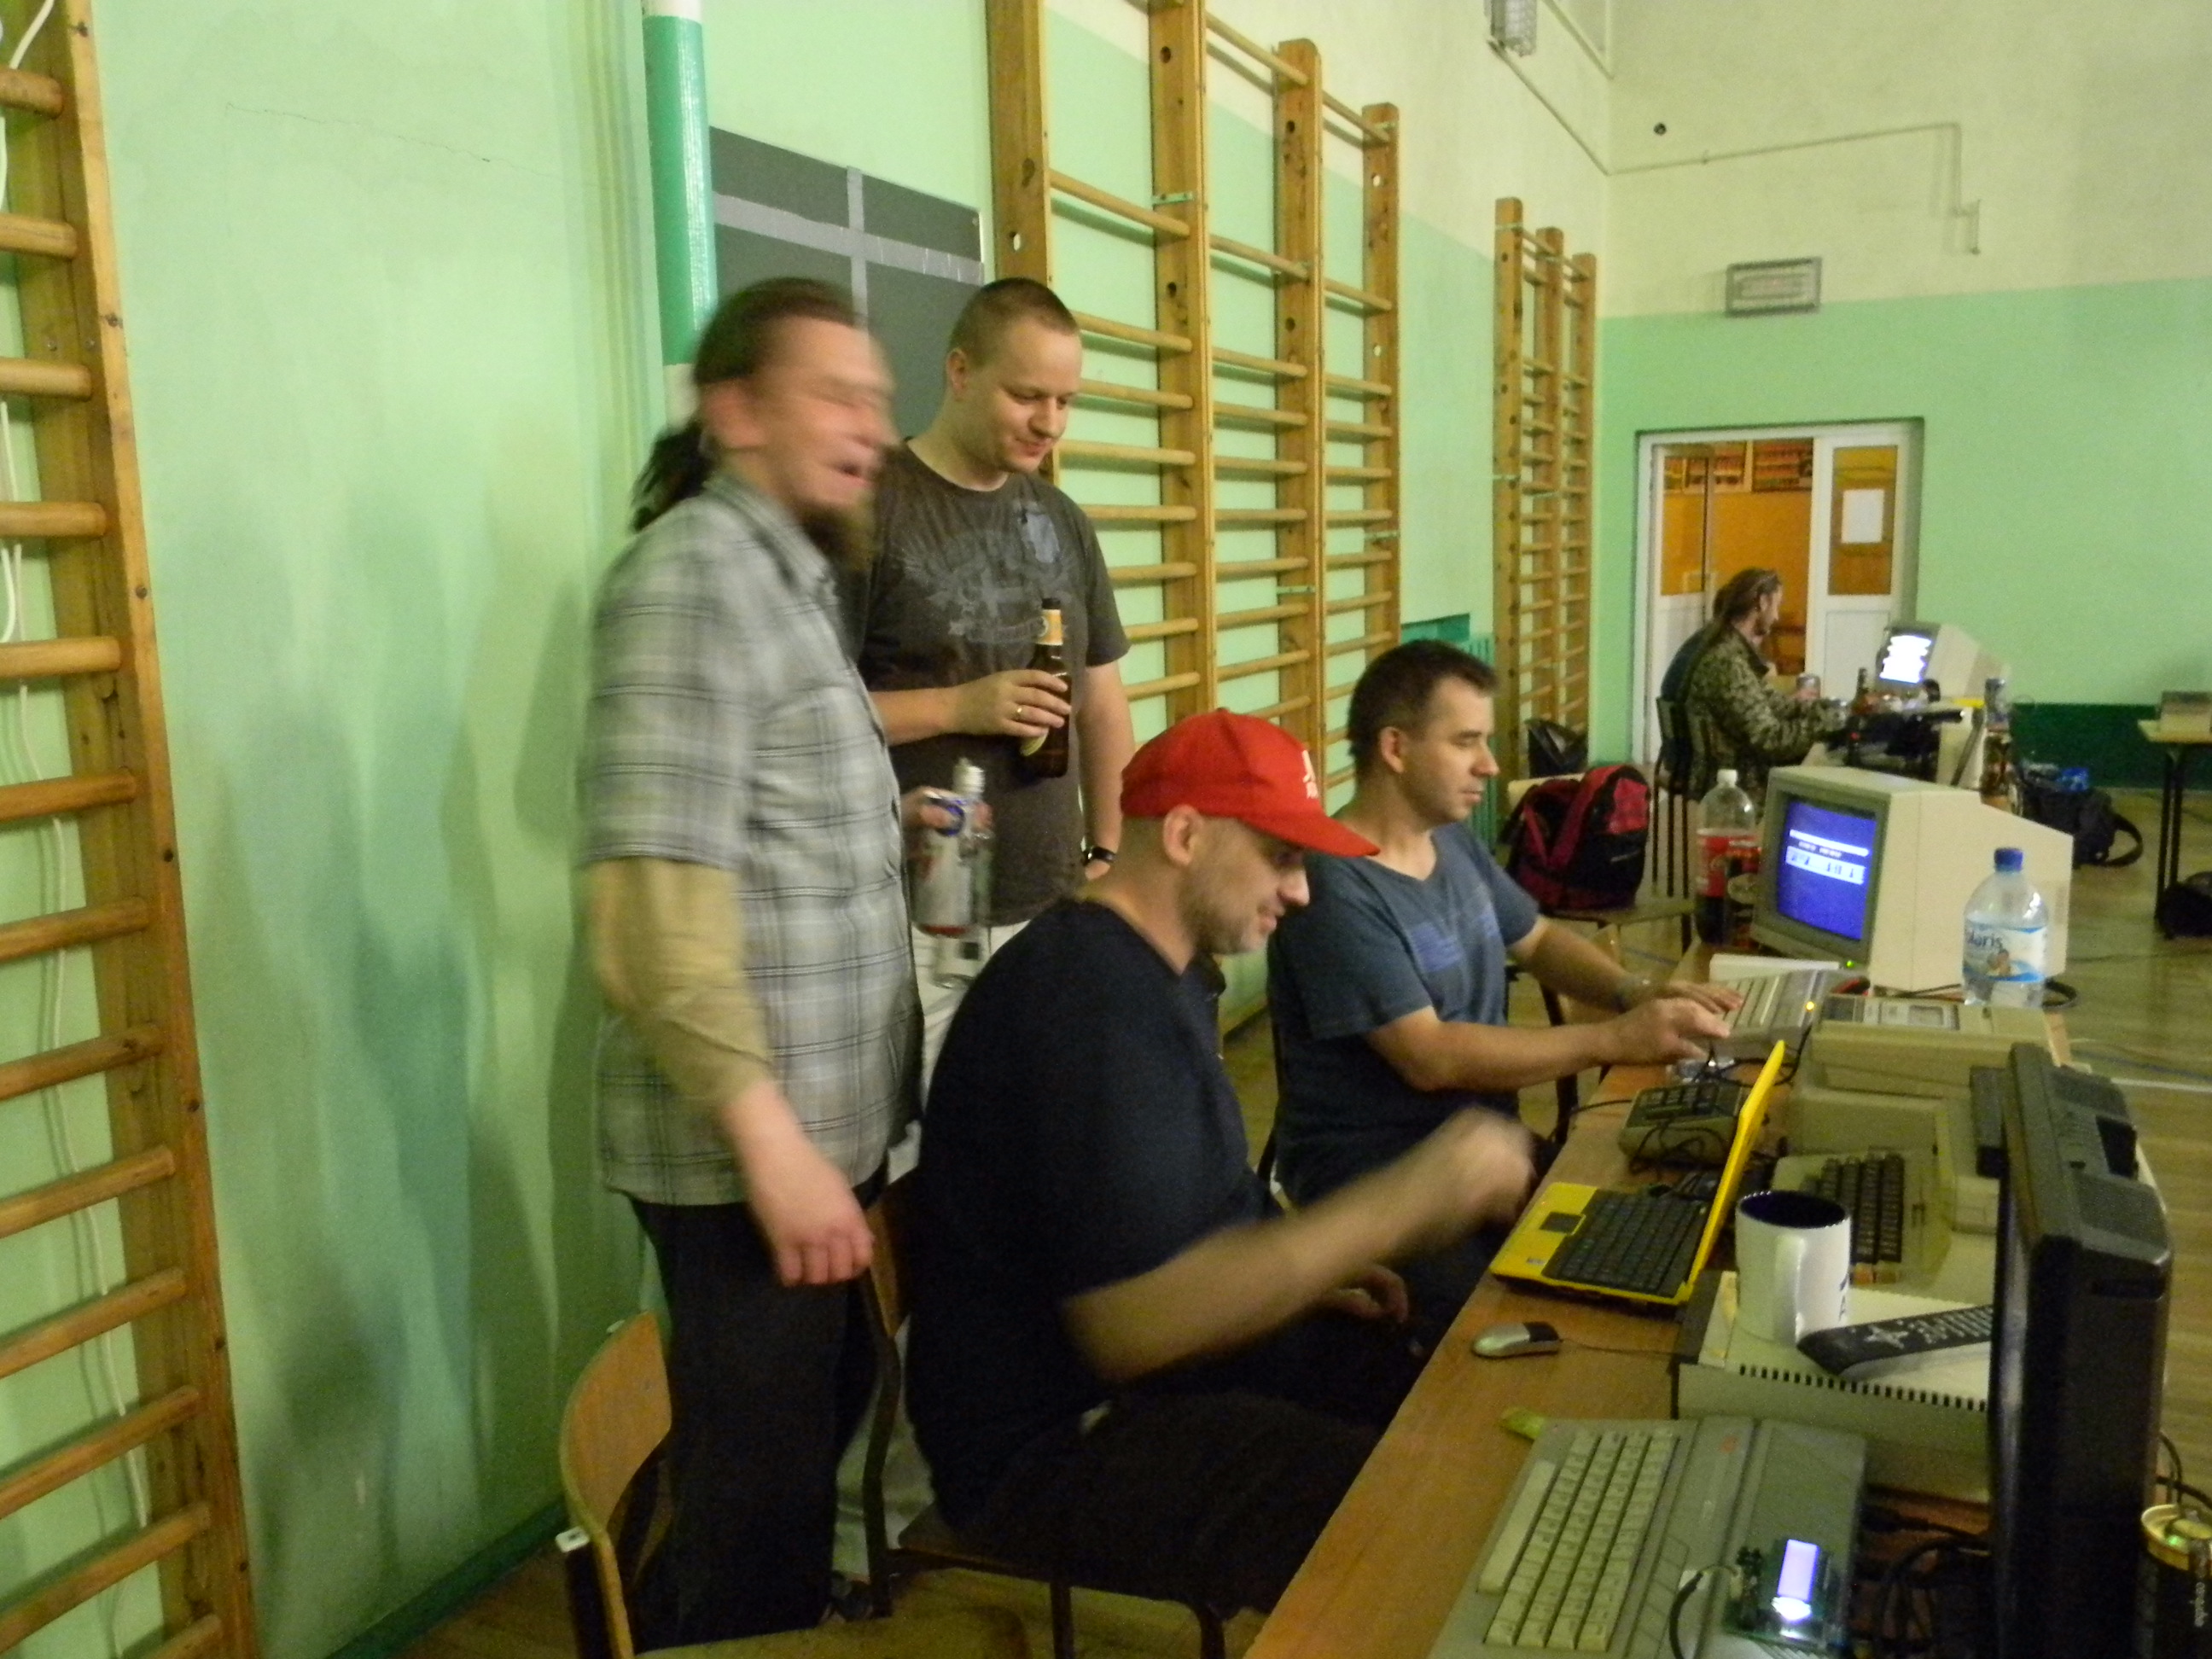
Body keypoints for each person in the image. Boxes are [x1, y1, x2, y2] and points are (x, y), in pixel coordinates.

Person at [905, 711, 1537, 1616]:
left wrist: (1300, 1276)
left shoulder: (1150, 971)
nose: (1303, 891)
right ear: (1186, 835)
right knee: (1421, 1512)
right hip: (1054, 1450)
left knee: (1446, 1383)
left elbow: (1188, 1208)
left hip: (1147, 1387)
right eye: (1281, 857)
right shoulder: (1084, 1002)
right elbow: (1132, 1327)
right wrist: (1398, 1205)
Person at [582, 277, 940, 1641]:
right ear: (735, 411)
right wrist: (774, 1148)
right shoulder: (695, 580)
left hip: (814, 1137)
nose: (871, 429)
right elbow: (652, 907)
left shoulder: (784, 578)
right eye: (835, 397)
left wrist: (880, 821)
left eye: (878, 402)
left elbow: (744, 818)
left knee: (803, 1444)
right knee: (758, 1513)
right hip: (747, 1155)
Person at [1267, 642, 1737, 1336]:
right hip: (1382, 1181)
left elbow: (1537, 939)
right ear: (1395, 748)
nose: (1489, 764)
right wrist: (1613, 1039)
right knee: (1506, 1333)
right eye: (1466, 742)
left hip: (1484, 1147)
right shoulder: (1334, 883)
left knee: (1665, 1232)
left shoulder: (1449, 840)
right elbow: (1431, 1056)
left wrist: (1636, 994)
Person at [852, 276, 1134, 1072]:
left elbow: (1103, 703)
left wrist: (1110, 856)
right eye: (1027, 396)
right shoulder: (871, 508)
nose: (1050, 422)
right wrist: (958, 706)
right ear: (960, 372)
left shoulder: (1062, 520)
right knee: (937, 1125)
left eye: (1066, 401)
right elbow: (808, 718)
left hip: (1051, 895)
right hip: (918, 904)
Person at [1679, 567, 1841, 798]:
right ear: (1762, 602)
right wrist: (1831, 723)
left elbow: (1779, 706)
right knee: (1831, 772)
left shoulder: (1732, 653)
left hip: (1739, 770)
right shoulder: (1728, 664)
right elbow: (1769, 740)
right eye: (1776, 606)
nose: (1776, 617)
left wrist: (1833, 710)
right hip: (1740, 781)